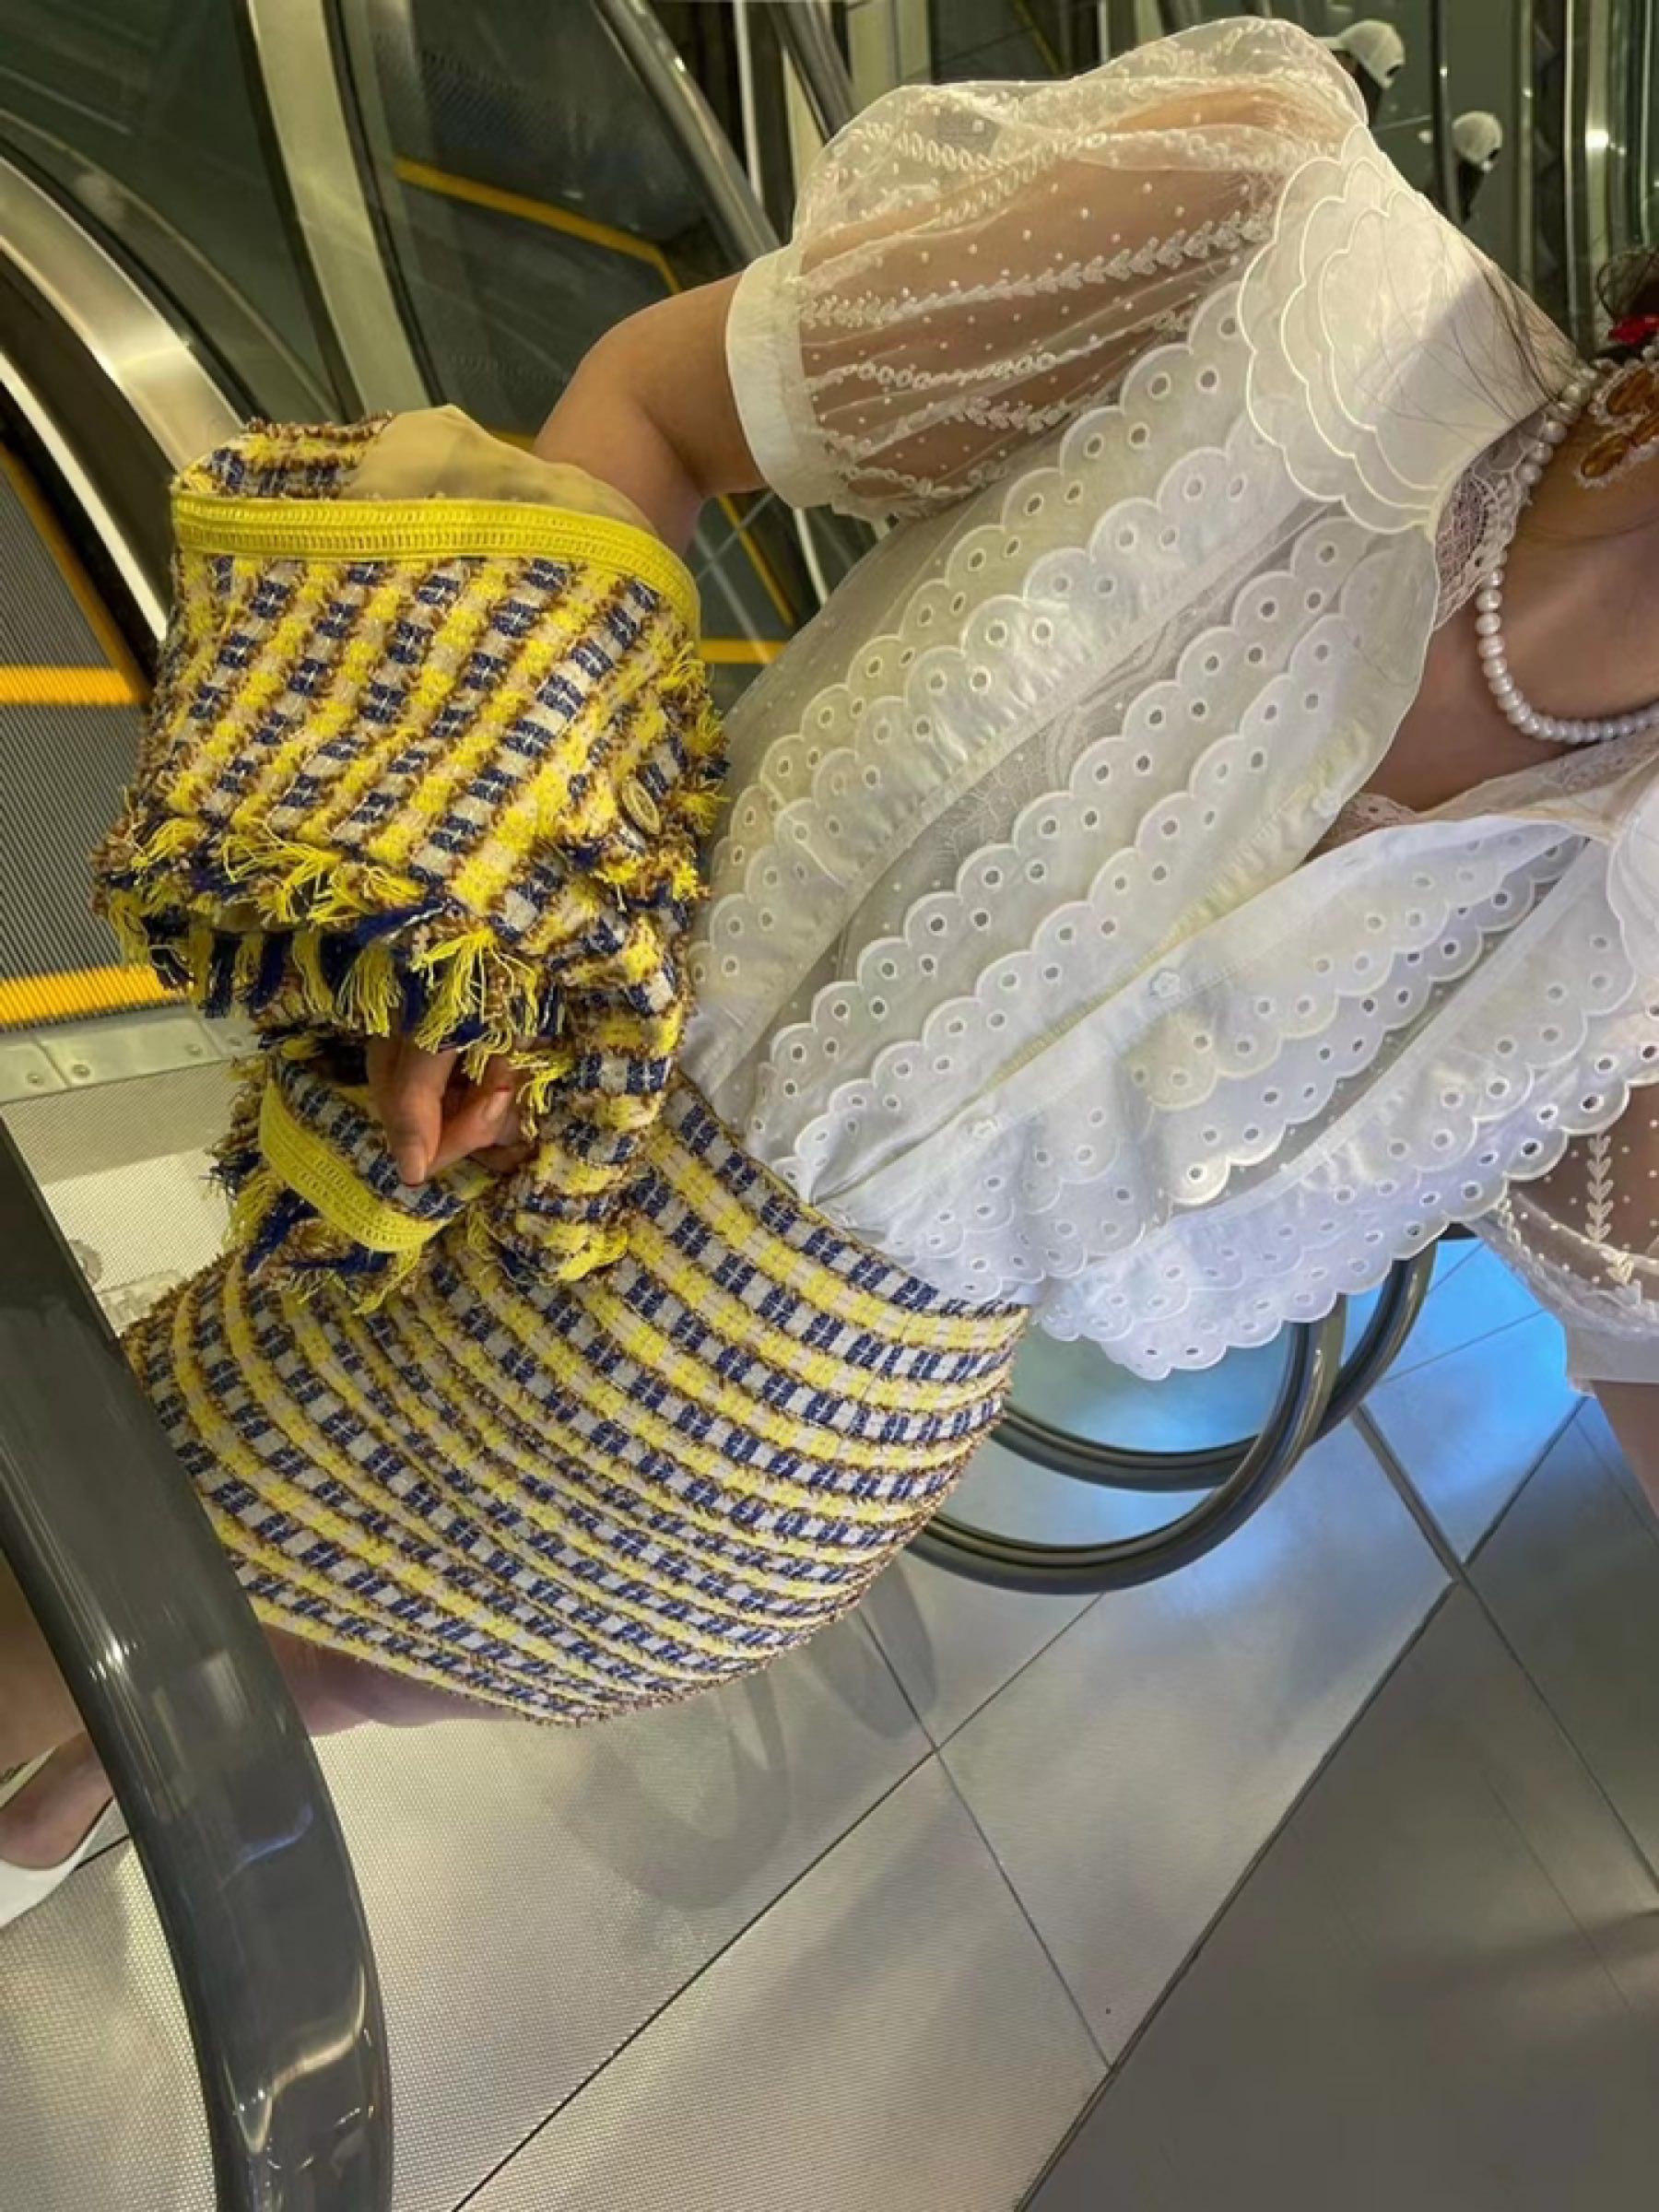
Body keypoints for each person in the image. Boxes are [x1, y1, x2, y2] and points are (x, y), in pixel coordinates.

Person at [8, 16, 1659, 1920]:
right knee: (100, 1585)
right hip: (517, 1210)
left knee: (305, 1686)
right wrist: (503, 905)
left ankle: (70, 1809)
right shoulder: (1280, 251)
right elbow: (656, 404)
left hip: (762, 1514)